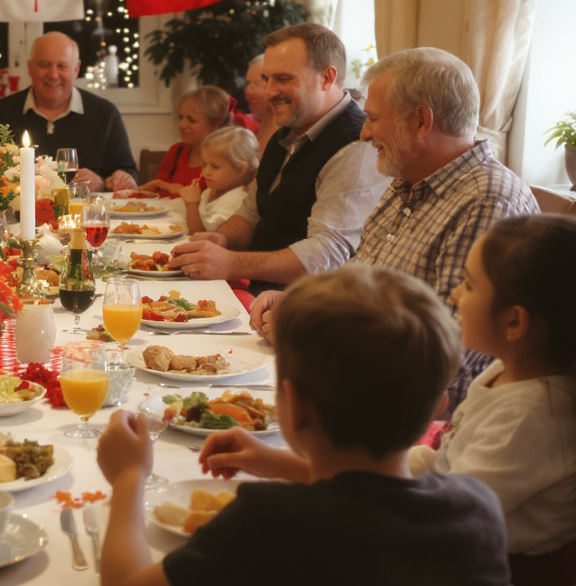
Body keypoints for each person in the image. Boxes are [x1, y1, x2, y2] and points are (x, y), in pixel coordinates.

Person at [95, 264, 511, 586]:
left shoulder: (268, 522)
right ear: (436, 410)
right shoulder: (478, 510)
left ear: (292, 406)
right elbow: (372, 506)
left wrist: (129, 477)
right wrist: (282, 465)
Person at [249, 47, 538, 408]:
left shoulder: (487, 202)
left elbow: (450, 356)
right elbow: (360, 276)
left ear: (421, 121)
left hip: (415, 413)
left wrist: (312, 334)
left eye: (373, 118)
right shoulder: (409, 179)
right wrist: (301, 303)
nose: (364, 134)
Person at [410, 215, 576, 586]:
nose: (455, 295)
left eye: (469, 284)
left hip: (492, 581)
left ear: (514, 322)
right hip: (457, 535)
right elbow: (454, 464)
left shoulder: (531, 418)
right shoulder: (513, 370)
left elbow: (448, 519)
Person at [169, 23, 388, 293]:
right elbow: (252, 213)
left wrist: (231, 263)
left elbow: (327, 254)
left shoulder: (355, 144)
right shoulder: (287, 132)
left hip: (305, 305)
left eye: (283, 79)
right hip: (262, 295)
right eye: (267, 79)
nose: (269, 92)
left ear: (327, 77)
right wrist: (222, 239)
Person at [0, 31, 138, 191]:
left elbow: (127, 174)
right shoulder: (1, 112)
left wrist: (103, 183)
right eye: (44, 65)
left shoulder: (105, 113)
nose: (53, 75)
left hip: (85, 206)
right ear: (30, 68)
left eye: (62, 66)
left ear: (76, 69)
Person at [142, 86, 236, 196]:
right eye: (181, 117)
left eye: (191, 120)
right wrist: (144, 189)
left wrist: (182, 192)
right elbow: (159, 191)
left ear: (215, 124)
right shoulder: (176, 151)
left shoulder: (225, 158)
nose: (181, 125)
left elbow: (220, 201)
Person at [165, 126, 257, 235]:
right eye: (204, 164)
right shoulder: (211, 191)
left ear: (239, 170)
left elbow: (201, 234)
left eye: (215, 166)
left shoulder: (236, 200)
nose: (206, 172)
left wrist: (191, 204)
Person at [243, 53, 279, 153]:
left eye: (256, 83)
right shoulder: (254, 130)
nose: (248, 90)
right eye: (248, 83)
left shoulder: (285, 135)